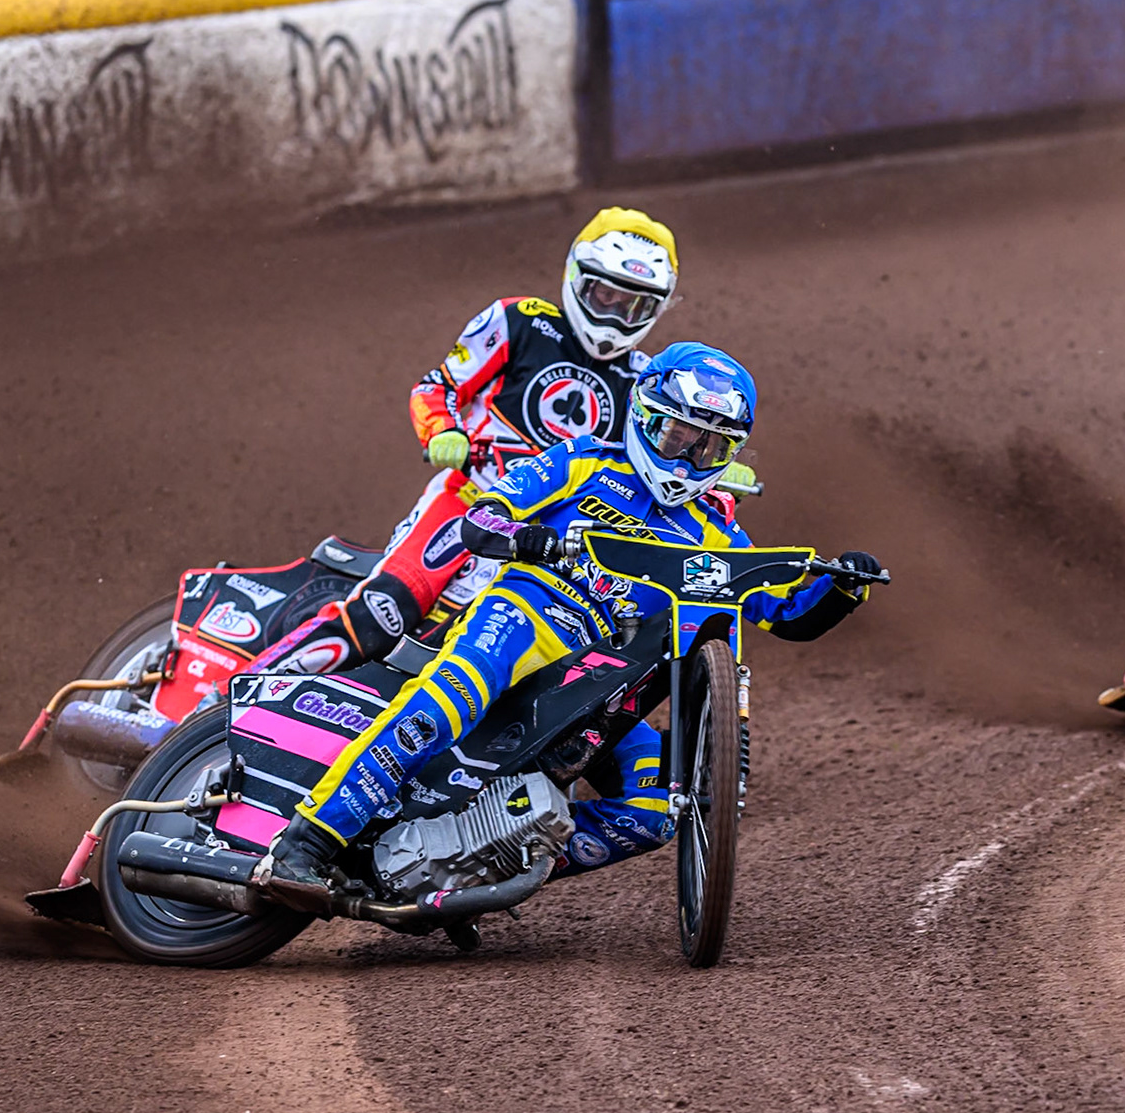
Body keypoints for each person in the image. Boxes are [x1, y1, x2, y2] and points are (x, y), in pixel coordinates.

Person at [258, 343, 880, 893]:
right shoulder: (584, 461)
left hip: (606, 682)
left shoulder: (716, 530)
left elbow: (788, 613)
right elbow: (482, 515)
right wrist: (522, 537)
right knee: (448, 700)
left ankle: (473, 864)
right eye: (678, 436)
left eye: (711, 445)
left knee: (653, 813)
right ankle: (306, 843)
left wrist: (843, 586)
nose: (691, 457)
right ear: (643, 418)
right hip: (528, 614)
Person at [252, 207, 712, 675]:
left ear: (657, 308)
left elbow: (655, 458)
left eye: (634, 305)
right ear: (578, 278)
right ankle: (239, 693)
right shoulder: (520, 321)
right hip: (470, 501)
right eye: (606, 295)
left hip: (550, 537)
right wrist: (444, 431)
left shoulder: (645, 383)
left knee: (514, 659)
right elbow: (438, 387)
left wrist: (702, 465)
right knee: (385, 610)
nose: (615, 315)